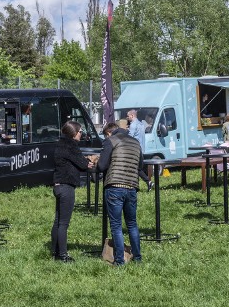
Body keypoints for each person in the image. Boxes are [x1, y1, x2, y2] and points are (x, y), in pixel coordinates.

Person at [97, 122, 143, 265]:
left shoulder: (110, 141)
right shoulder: (136, 142)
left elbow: (101, 165)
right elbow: (140, 166)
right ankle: (137, 257)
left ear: (109, 133)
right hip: (132, 186)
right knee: (132, 224)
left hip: (115, 186)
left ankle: (119, 260)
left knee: (116, 225)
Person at [51, 121, 94, 263]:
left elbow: (74, 161)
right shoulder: (71, 145)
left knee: (57, 221)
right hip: (66, 186)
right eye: (80, 131)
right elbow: (83, 165)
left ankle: (55, 252)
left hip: (57, 185)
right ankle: (63, 256)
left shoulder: (60, 144)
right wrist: (90, 161)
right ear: (74, 133)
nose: (82, 134)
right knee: (64, 223)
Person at [127, 109, 154, 191]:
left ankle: (148, 182)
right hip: (141, 149)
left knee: (135, 168)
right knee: (136, 168)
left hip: (134, 150)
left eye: (128, 116)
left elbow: (130, 138)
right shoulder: (141, 124)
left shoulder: (133, 125)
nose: (127, 118)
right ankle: (137, 186)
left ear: (132, 115)